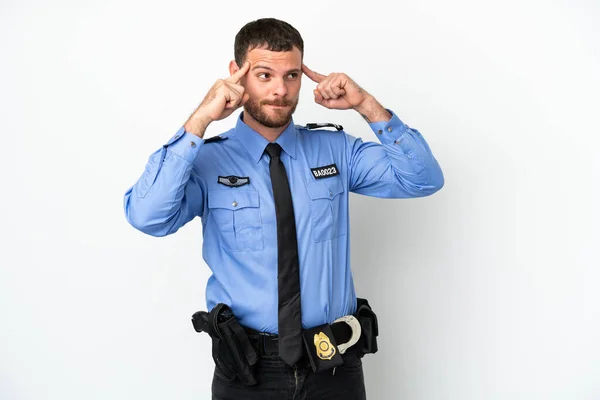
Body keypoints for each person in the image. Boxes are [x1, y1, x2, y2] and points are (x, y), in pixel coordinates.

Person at [123, 17, 444, 400]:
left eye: (292, 75)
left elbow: (423, 178)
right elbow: (147, 217)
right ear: (235, 74)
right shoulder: (207, 163)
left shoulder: (336, 151)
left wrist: (366, 105)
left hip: (334, 366)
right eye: (264, 75)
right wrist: (200, 119)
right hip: (247, 371)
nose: (280, 90)